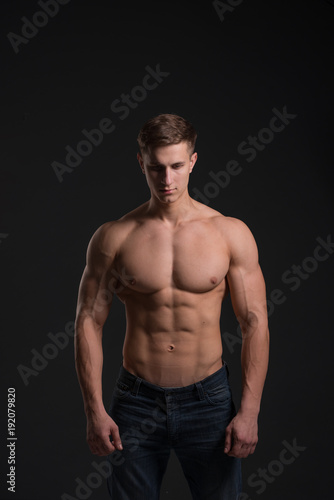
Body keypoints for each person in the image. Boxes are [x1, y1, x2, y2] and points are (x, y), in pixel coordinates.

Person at [74, 113, 270, 500]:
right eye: (156, 168)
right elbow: (87, 322)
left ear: (193, 161)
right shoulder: (114, 237)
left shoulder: (229, 233)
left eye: (177, 166)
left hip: (209, 401)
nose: (167, 180)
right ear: (141, 162)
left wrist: (249, 411)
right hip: (135, 401)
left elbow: (254, 321)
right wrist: (94, 410)